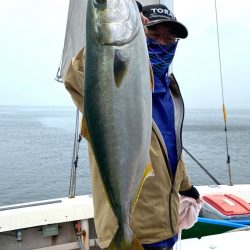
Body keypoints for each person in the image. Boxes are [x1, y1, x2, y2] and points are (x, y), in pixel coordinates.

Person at [64, 2, 200, 250]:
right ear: (139, 28)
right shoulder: (114, 83)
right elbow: (75, 77)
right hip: (132, 229)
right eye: (154, 34)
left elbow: (170, 150)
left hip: (166, 227)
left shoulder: (168, 90)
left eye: (169, 39)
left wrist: (186, 186)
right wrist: (104, 40)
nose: (162, 43)